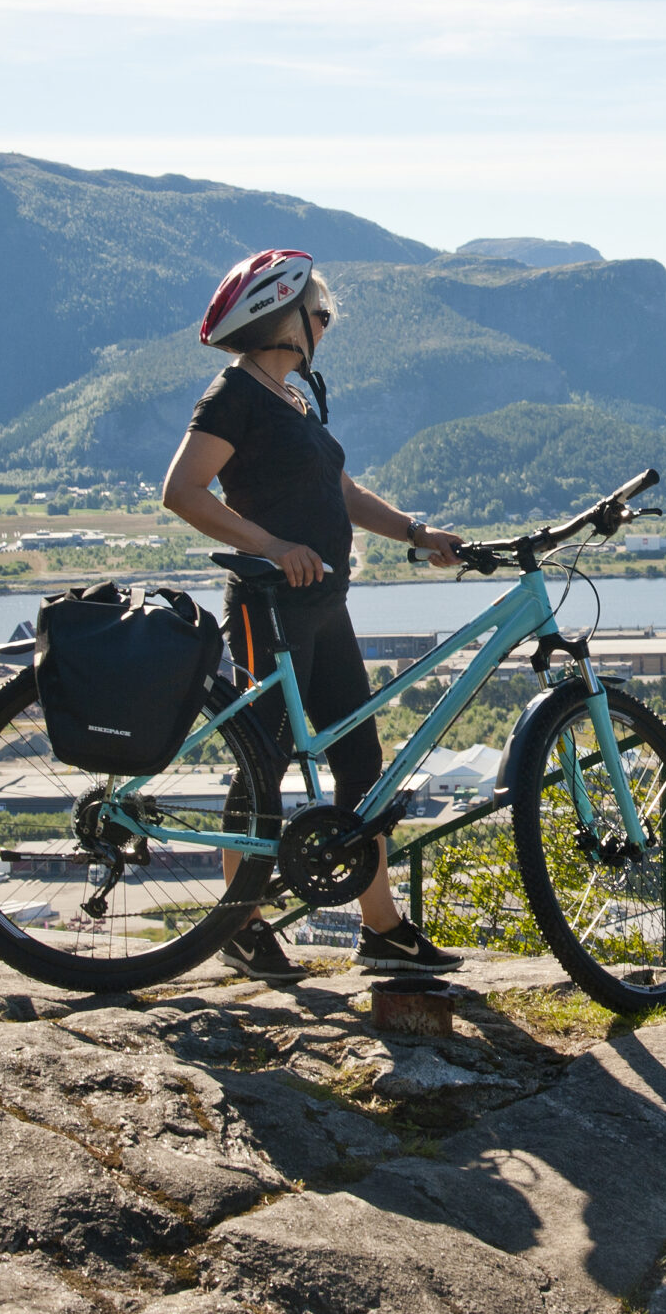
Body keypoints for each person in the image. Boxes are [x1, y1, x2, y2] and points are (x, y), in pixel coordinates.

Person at [160, 248, 468, 984]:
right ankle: (240, 924)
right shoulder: (233, 395)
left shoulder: (291, 399)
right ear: (286, 318)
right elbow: (183, 489)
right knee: (260, 766)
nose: (326, 325)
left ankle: (383, 930)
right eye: (320, 313)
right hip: (268, 608)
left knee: (361, 764)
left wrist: (419, 535)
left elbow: (344, 490)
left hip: (325, 608)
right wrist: (272, 545)